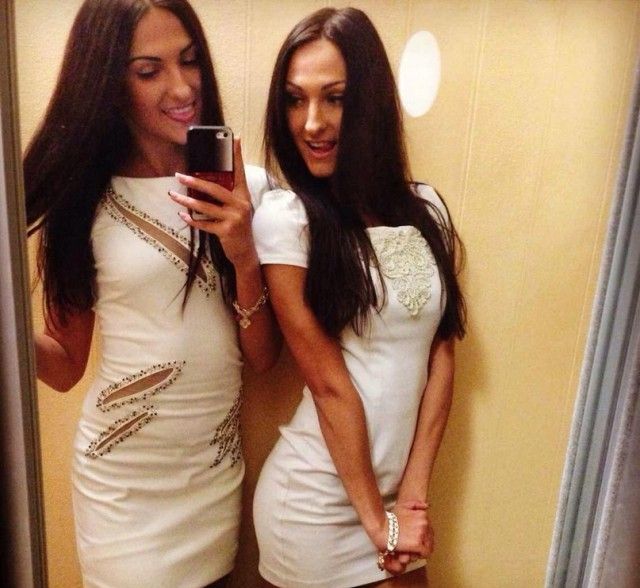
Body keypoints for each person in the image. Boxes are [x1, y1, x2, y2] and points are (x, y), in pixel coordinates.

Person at [24, 1, 280, 586]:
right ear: (109, 82)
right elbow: (64, 366)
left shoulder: (247, 190)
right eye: (149, 71)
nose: (183, 87)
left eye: (190, 60)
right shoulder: (80, 201)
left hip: (212, 479)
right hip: (121, 486)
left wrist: (243, 252)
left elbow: (264, 359)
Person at [246, 7, 466, 587]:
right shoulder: (288, 219)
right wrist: (377, 523)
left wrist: (411, 499)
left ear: (370, 101)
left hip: (393, 504)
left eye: (335, 98)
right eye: (295, 100)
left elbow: (442, 353)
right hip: (316, 505)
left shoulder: (427, 208)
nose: (311, 123)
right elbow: (327, 383)